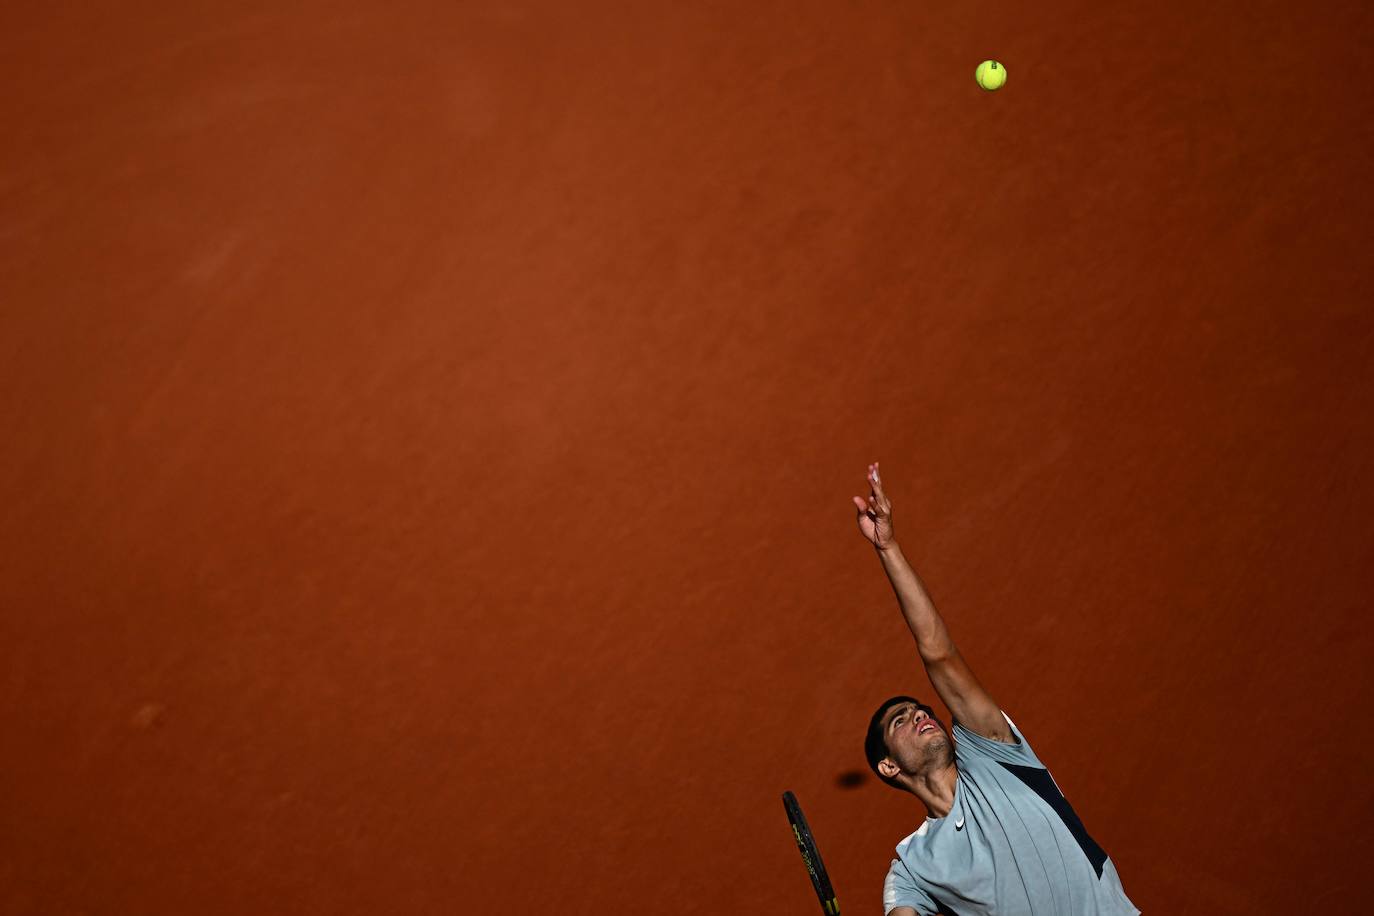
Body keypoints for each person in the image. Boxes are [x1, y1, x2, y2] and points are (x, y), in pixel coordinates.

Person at [854, 462, 1139, 916]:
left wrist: (888, 548)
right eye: (900, 720)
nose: (920, 715)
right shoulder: (911, 869)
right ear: (888, 766)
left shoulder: (993, 755)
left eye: (919, 708)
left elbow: (937, 653)